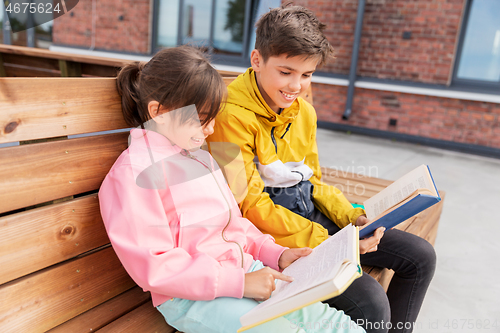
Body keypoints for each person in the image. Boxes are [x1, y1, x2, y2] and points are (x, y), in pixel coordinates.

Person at [98, 46, 365, 333]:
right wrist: (240, 283)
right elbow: (156, 266)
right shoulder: (133, 174)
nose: (211, 130)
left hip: (246, 271)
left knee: (342, 327)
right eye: (202, 118)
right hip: (192, 298)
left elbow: (235, 225)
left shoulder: (202, 158)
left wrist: (276, 254)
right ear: (159, 112)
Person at [206, 5, 436, 333]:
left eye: (307, 74)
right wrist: (332, 244)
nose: (296, 86)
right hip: (273, 235)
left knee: (420, 256)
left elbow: (314, 181)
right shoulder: (230, 116)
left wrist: (352, 217)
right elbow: (249, 207)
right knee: (371, 302)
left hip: (311, 218)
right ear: (256, 60)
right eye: (285, 72)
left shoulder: (304, 113)